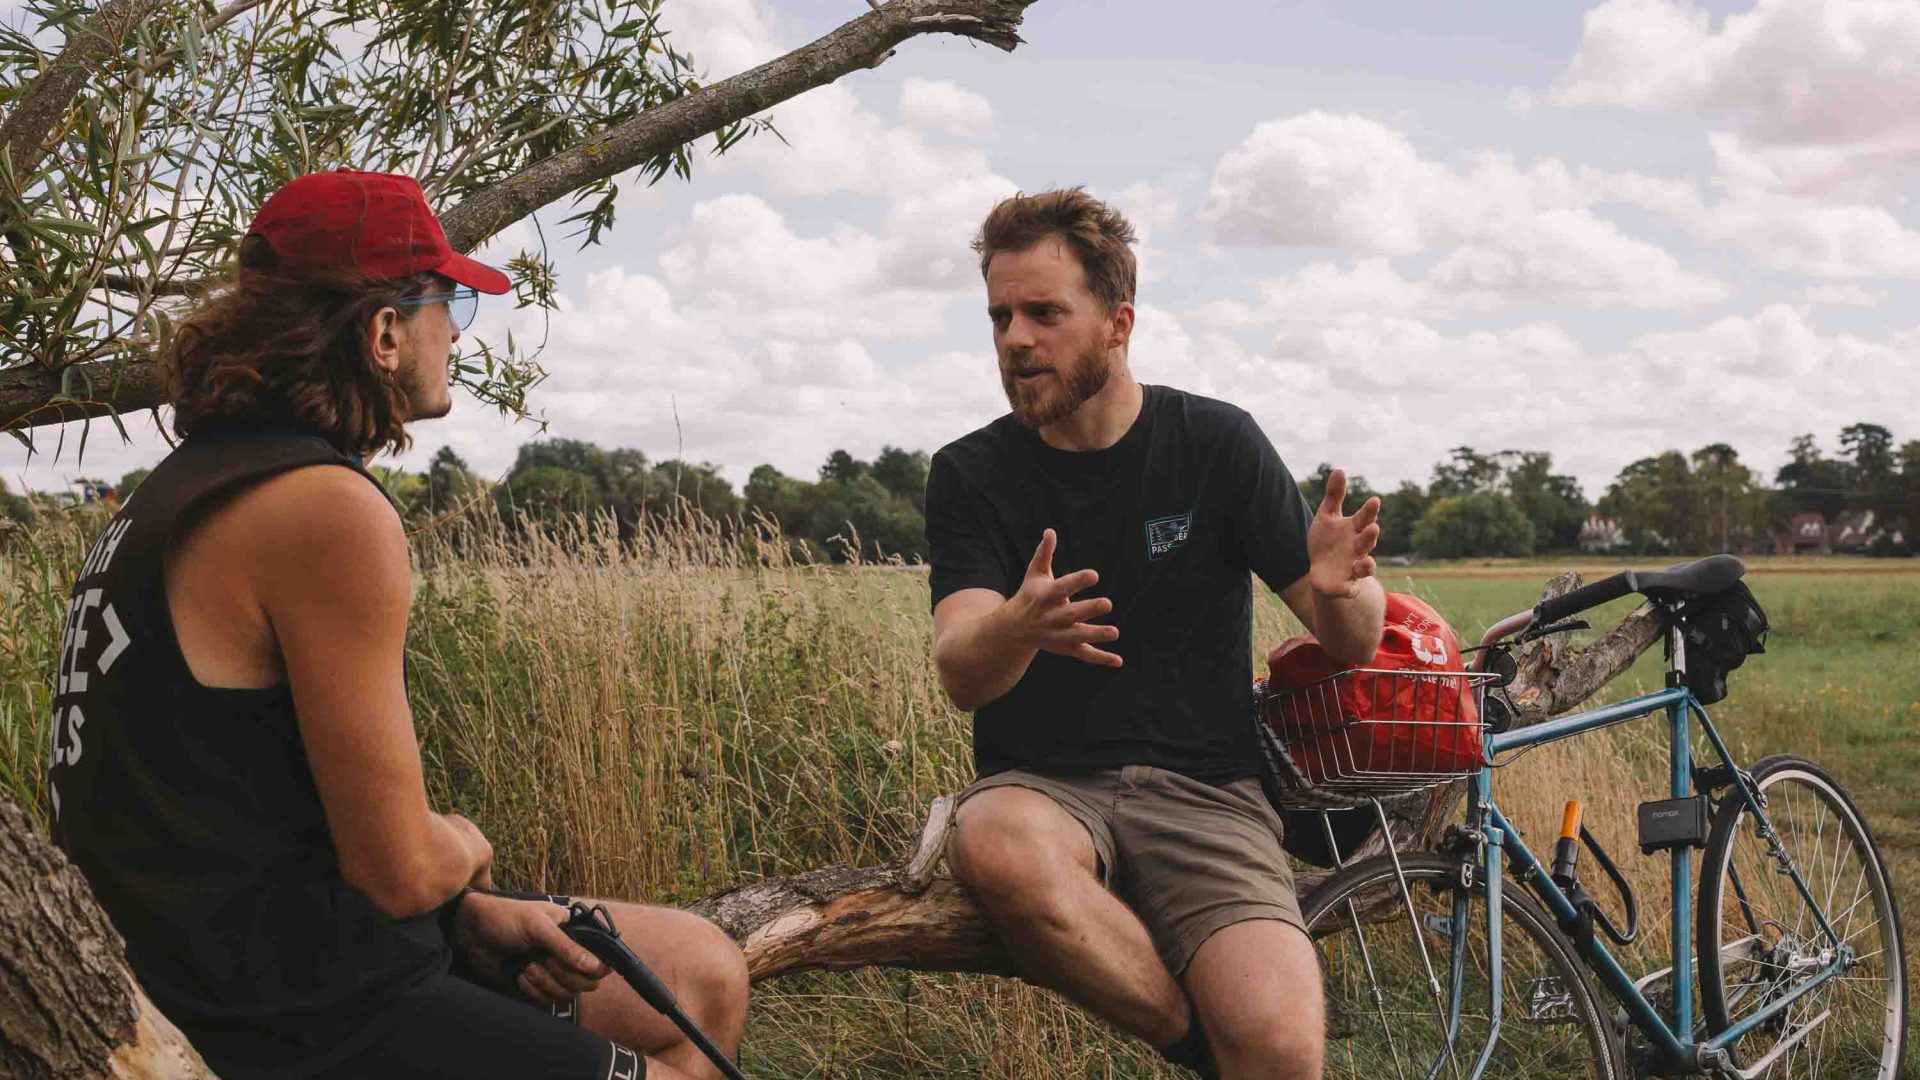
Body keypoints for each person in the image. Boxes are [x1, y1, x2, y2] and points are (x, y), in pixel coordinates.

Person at [46, 170, 748, 1080]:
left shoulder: (172, 494)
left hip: (252, 953)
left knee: (703, 973)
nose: (454, 329)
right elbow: (401, 872)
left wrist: (463, 913)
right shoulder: (325, 509)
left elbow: (241, 810)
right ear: (383, 332)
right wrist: (465, 848)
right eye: (445, 300)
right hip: (289, 1010)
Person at [926, 188, 1387, 1080]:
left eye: (1045, 313)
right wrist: (1017, 628)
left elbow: (1354, 640)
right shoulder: (971, 474)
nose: (1015, 339)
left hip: (1207, 791)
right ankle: (1198, 1048)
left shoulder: (1216, 444)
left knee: (1285, 1050)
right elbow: (961, 670)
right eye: (999, 316)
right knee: (993, 839)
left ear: (1118, 322)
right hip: (1046, 787)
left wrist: (1342, 588)